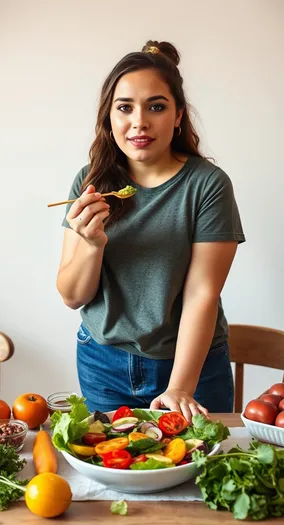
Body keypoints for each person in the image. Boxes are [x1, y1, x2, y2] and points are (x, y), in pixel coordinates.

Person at [57, 40, 245, 422]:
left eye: (156, 107)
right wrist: (91, 244)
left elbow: (202, 293)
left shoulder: (207, 185)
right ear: (109, 118)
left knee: (198, 474)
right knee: (114, 473)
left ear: (178, 116)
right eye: (124, 108)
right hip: (102, 361)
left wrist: (179, 387)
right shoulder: (90, 182)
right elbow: (72, 296)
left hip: (192, 364)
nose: (139, 122)